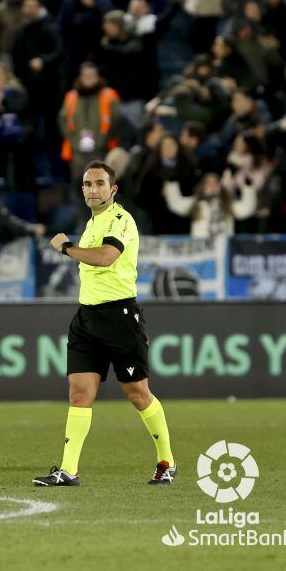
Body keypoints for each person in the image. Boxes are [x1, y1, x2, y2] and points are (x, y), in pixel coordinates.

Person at [33, 161, 176, 487]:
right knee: (79, 393)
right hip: (87, 317)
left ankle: (166, 461)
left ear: (113, 190)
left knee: (138, 394)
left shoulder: (121, 220)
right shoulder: (93, 221)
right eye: (87, 184)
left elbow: (106, 256)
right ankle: (69, 471)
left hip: (120, 317)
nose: (93, 189)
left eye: (99, 184)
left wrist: (67, 248)